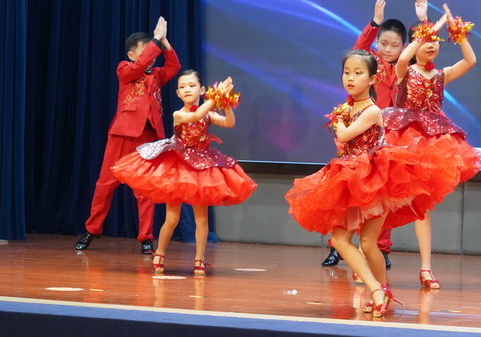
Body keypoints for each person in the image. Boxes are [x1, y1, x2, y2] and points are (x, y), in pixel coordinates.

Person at [286, 50, 440, 316]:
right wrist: (341, 118)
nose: (350, 78)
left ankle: (378, 291)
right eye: (347, 72)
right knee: (345, 240)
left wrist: (338, 120)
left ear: (372, 79)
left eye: (358, 73)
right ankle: (380, 291)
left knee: (365, 243)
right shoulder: (348, 108)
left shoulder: (371, 110)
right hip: (351, 177)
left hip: (374, 180)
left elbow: (344, 136)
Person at [381, 3, 481, 289]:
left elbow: (471, 60)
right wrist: (427, 28)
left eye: (436, 42)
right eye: (426, 41)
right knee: (385, 200)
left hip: (429, 147)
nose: (431, 45)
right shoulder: (404, 70)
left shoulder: (441, 75)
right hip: (401, 141)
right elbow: (404, 56)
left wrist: (457, 32)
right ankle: (369, 254)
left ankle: (426, 268)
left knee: (422, 207)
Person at [111, 71, 256, 275]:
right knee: (172, 218)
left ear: (202, 90)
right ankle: (160, 253)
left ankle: (199, 259)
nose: (187, 89)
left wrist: (226, 104)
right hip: (178, 167)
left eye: (192, 85)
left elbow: (229, 123)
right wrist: (216, 97)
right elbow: (195, 116)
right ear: (178, 93)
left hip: (201, 167)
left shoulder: (208, 113)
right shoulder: (178, 114)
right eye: (182, 87)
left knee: (201, 219)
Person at [322, 0, 428, 268]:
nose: (388, 49)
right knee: (350, 192)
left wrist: (423, 20)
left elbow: (424, 47)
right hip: (359, 133)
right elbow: (358, 50)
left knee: (383, 196)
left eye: (395, 45)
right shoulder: (371, 65)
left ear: (404, 47)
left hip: (390, 138)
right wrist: (374, 23)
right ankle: (338, 246)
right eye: (383, 43)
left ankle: (380, 248)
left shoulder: (407, 68)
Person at [75, 17, 180, 254]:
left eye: (152, 52)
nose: (150, 56)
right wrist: (155, 40)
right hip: (122, 134)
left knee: (144, 189)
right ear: (132, 55)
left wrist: (164, 42)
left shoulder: (156, 75)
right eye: (145, 51)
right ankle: (92, 229)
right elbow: (138, 67)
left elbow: (173, 66)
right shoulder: (125, 68)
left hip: (147, 136)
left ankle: (146, 237)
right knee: (105, 184)